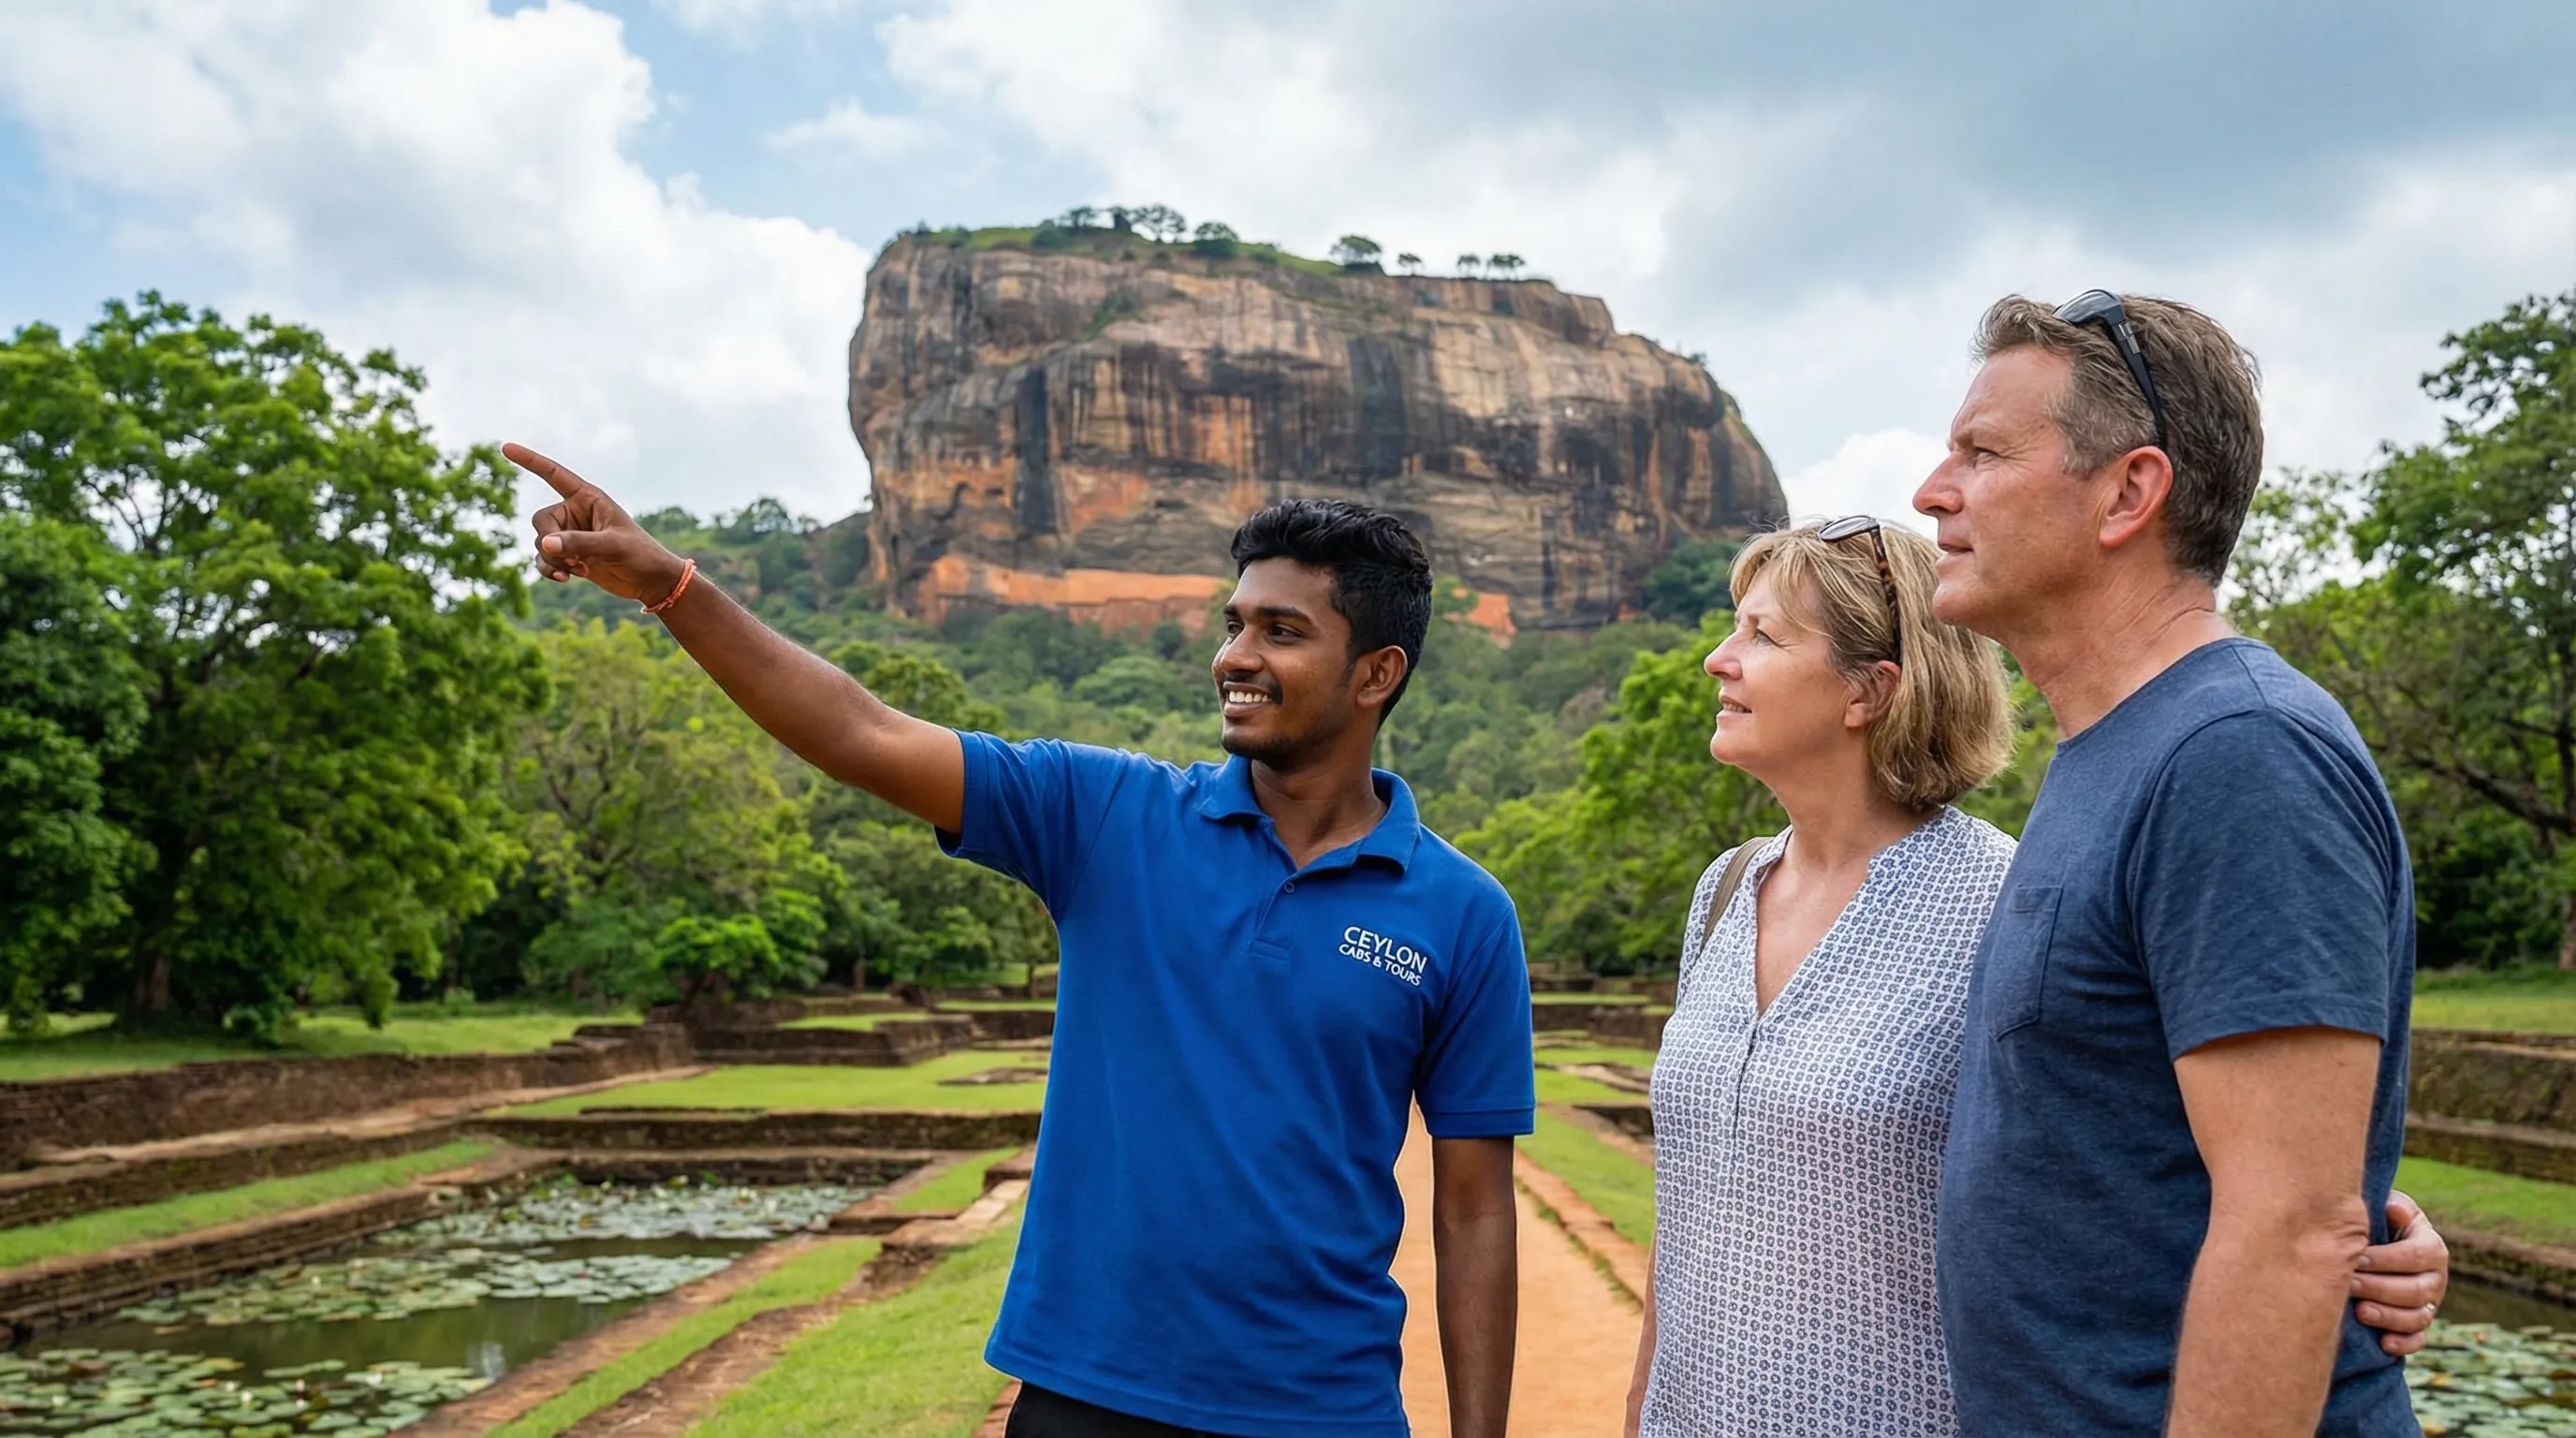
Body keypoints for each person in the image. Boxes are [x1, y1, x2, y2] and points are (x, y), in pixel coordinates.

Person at [508, 447, 1531, 1438]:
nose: (1235, 658)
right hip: (1085, 1396)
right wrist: (673, 588)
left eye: (1281, 631)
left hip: (1322, 1410)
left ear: (1375, 673)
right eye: (1233, 624)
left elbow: (1476, 1209)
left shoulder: (1462, 911)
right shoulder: (1106, 816)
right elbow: (858, 733)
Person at [1620, 518, 2449, 1437]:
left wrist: (2380, 1231)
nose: (1716, 660)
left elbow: (2164, 1147)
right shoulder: (1726, 888)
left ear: (1871, 689)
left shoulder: (2004, 899)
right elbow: (1690, 1198)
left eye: (1761, 635)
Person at [1922, 292, 2434, 1436]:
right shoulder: (2114, 752)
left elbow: (2294, 1227)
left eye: (1981, 452)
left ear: (2128, 492)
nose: (1932, 491)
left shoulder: (2236, 755)